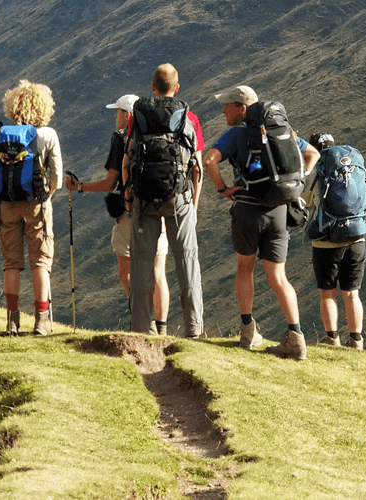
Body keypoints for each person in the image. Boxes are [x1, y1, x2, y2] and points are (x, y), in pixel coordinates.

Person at [206, 85, 320, 359]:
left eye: (228, 105)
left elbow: (209, 159)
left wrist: (222, 189)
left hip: (247, 209)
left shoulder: (237, 134)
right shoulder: (280, 130)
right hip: (279, 210)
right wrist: (297, 183)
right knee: (279, 276)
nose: (223, 110)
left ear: (242, 108)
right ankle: (296, 338)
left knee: (244, 268)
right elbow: (313, 153)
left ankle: (248, 332)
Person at [63, 94, 169, 331]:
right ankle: (161, 329)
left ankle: (143, 323)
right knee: (157, 273)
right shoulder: (159, 134)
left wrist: (78, 187)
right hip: (159, 207)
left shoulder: (121, 139)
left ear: (128, 115)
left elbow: (111, 183)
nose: (115, 116)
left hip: (131, 211)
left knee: (125, 271)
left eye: (119, 111)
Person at [121, 63, 207, 338]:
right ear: (177, 88)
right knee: (187, 262)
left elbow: (127, 159)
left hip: (143, 200)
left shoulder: (139, 117)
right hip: (179, 199)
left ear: (153, 88)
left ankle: (141, 330)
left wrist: (127, 195)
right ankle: (193, 329)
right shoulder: (189, 118)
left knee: (142, 264)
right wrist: (193, 206)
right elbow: (198, 168)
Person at [0, 80, 64, 335]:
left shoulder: (4, 134)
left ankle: (12, 321)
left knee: (11, 262)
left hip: (7, 205)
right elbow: (56, 177)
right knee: (40, 262)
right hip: (37, 205)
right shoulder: (47, 135)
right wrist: (47, 195)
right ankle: (41, 320)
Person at [305, 134, 366, 350]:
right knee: (351, 293)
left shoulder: (317, 171)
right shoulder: (352, 167)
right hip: (357, 237)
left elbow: (303, 199)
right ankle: (356, 341)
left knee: (327, 293)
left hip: (327, 241)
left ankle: (332, 339)